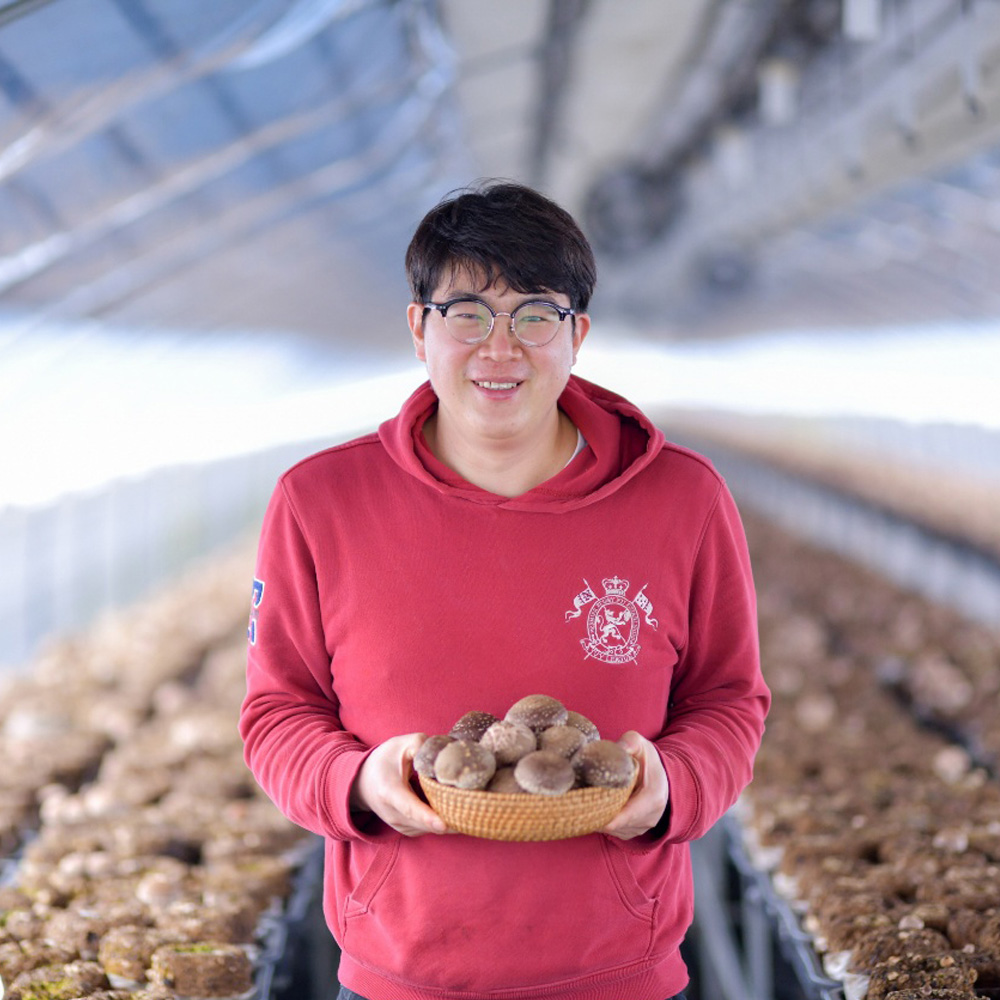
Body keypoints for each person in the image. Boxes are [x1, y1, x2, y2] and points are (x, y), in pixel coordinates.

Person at [240, 180, 770, 1000]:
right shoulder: (319, 502)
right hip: (399, 977)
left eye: (534, 314)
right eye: (466, 313)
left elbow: (730, 699)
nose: (500, 348)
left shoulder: (683, 499)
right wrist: (354, 782)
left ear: (577, 335)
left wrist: (675, 784)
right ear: (419, 328)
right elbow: (278, 712)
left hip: (618, 975)